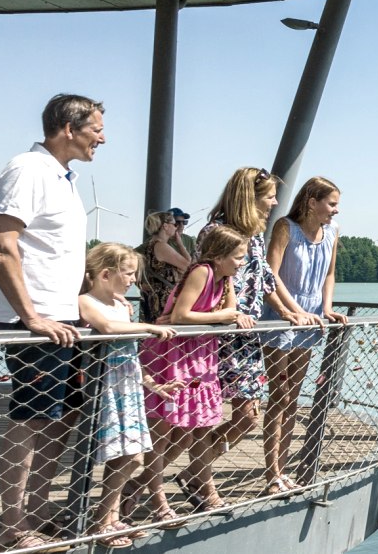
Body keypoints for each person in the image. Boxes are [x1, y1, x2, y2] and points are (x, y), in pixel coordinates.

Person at [0, 93, 105, 551]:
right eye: (96, 128)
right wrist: (30, 315)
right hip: (35, 322)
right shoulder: (28, 170)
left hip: (63, 320)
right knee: (33, 416)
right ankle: (14, 528)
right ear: (68, 128)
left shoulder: (63, 178)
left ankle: (37, 512)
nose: (103, 137)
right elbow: (0, 244)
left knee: (61, 416)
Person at [194, 168, 318, 471]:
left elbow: (264, 283)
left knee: (248, 417)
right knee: (201, 417)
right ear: (250, 198)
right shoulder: (216, 233)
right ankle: (192, 477)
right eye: (270, 196)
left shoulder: (255, 236)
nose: (275, 203)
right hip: (216, 335)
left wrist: (289, 312)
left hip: (247, 336)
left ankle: (195, 469)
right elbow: (204, 280)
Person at [136, 226, 250, 517]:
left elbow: (232, 310)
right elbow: (180, 315)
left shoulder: (225, 279)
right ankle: (157, 499)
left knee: (190, 433)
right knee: (162, 432)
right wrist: (222, 316)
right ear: (220, 255)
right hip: (173, 356)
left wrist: (230, 312)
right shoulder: (203, 271)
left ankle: (136, 487)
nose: (241, 263)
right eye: (237, 257)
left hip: (200, 358)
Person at [76, 243, 178, 548]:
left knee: (128, 455)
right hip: (105, 388)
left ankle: (109, 517)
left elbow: (131, 353)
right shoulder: (86, 301)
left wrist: (152, 384)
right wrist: (148, 326)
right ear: (106, 274)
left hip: (129, 386)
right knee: (128, 455)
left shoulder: (123, 305)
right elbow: (107, 327)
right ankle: (102, 520)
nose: (133, 279)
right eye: (129, 273)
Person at [262, 177, 348, 494]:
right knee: (278, 395)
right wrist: (295, 310)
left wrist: (326, 308)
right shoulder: (286, 227)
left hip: (311, 320)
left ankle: (283, 470)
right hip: (282, 317)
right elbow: (270, 273)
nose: (336, 210)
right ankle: (272, 473)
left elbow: (329, 274)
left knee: (294, 398)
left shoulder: (332, 233)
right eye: (332, 203)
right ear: (312, 202)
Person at [135, 211, 188, 323]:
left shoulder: (150, 244)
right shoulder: (161, 246)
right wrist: (180, 244)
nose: (176, 227)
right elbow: (189, 265)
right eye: (174, 224)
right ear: (165, 226)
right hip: (166, 298)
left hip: (156, 297)